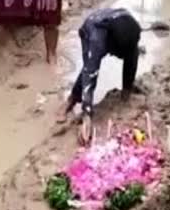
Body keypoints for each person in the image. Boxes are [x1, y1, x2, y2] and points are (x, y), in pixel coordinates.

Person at [59, 8, 142, 144]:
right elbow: (90, 76)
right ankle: (72, 100)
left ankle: (126, 92)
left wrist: (126, 94)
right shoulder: (97, 40)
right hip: (91, 27)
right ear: (112, 47)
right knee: (90, 67)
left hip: (113, 24)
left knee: (132, 55)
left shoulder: (131, 28)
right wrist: (87, 116)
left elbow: (132, 56)